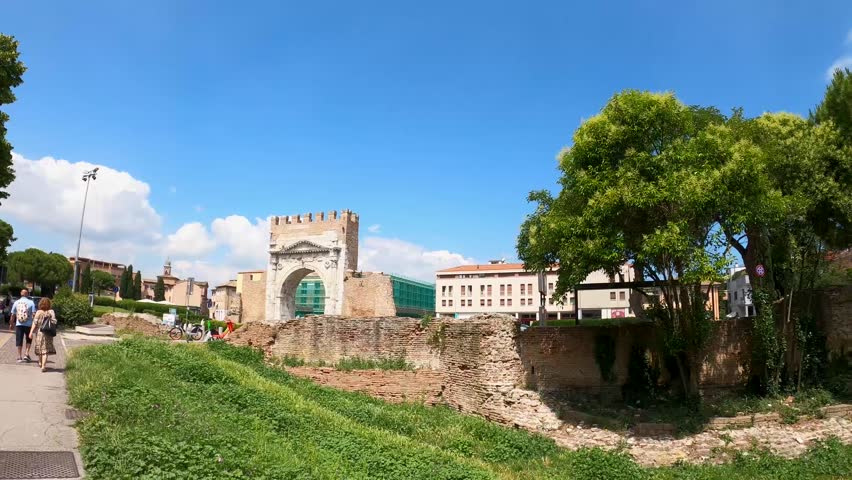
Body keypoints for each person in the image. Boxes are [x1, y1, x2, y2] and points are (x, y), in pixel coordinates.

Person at [29, 298, 56, 372]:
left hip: (39, 333)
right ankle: (43, 366)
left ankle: (40, 362)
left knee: (40, 348)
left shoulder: (38, 312)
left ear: (40, 304)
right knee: (46, 349)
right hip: (48, 333)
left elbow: (34, 323)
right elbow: (54, 322)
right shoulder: (51, 311)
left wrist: (31, 332)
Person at [9, 289, 35, 363]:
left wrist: (11, 324)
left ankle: (19, 356)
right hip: (29, 325)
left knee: (19, 340)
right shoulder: (31, 302)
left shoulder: (16, 302)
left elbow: (13, 314)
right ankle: (26, 354)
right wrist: (35, 324)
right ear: (27, 294)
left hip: (19, 324)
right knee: (28, 339)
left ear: (21, 294)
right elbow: (33, 314)